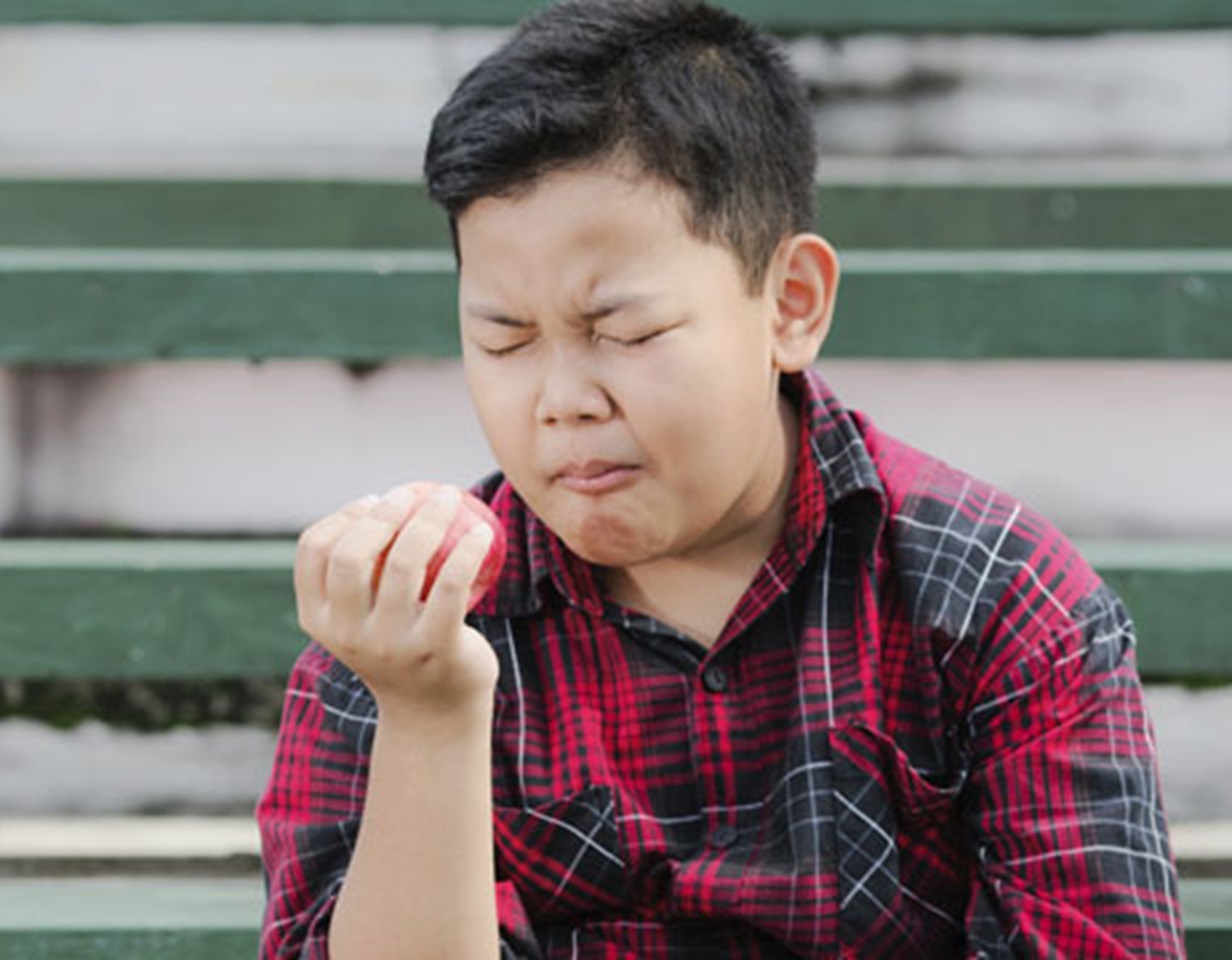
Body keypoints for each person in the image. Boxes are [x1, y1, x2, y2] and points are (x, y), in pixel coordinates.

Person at [257, 1, 1185, 957]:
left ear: (790, 304)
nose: (561, 400)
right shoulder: (405, 634)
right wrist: (428, 716)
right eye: (505, 338)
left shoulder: (995, 603)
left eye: (626, 332)